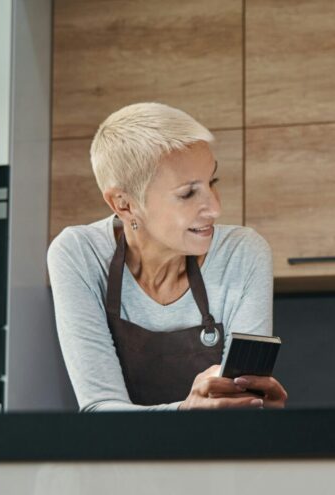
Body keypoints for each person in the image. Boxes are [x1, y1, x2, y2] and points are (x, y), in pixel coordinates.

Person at [48, 103, 288, 410]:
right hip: (123, 458)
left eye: (212, 182)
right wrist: (185, 411)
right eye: (188, 193)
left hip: (224, 454)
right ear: (124, 204)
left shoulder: (241, 253)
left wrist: (255, 406)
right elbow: (101, 410)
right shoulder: (79, 254)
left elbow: (236, 405)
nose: (214, 208)